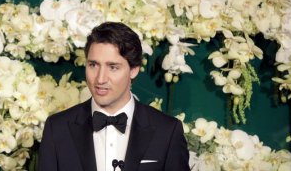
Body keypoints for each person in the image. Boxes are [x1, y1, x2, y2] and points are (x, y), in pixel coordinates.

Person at [38, 22, 190, 171]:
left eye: (113, 67)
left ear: (134, 70)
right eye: (93, 65)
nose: (100, 79)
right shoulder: (57, 128)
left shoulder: (167, 131)